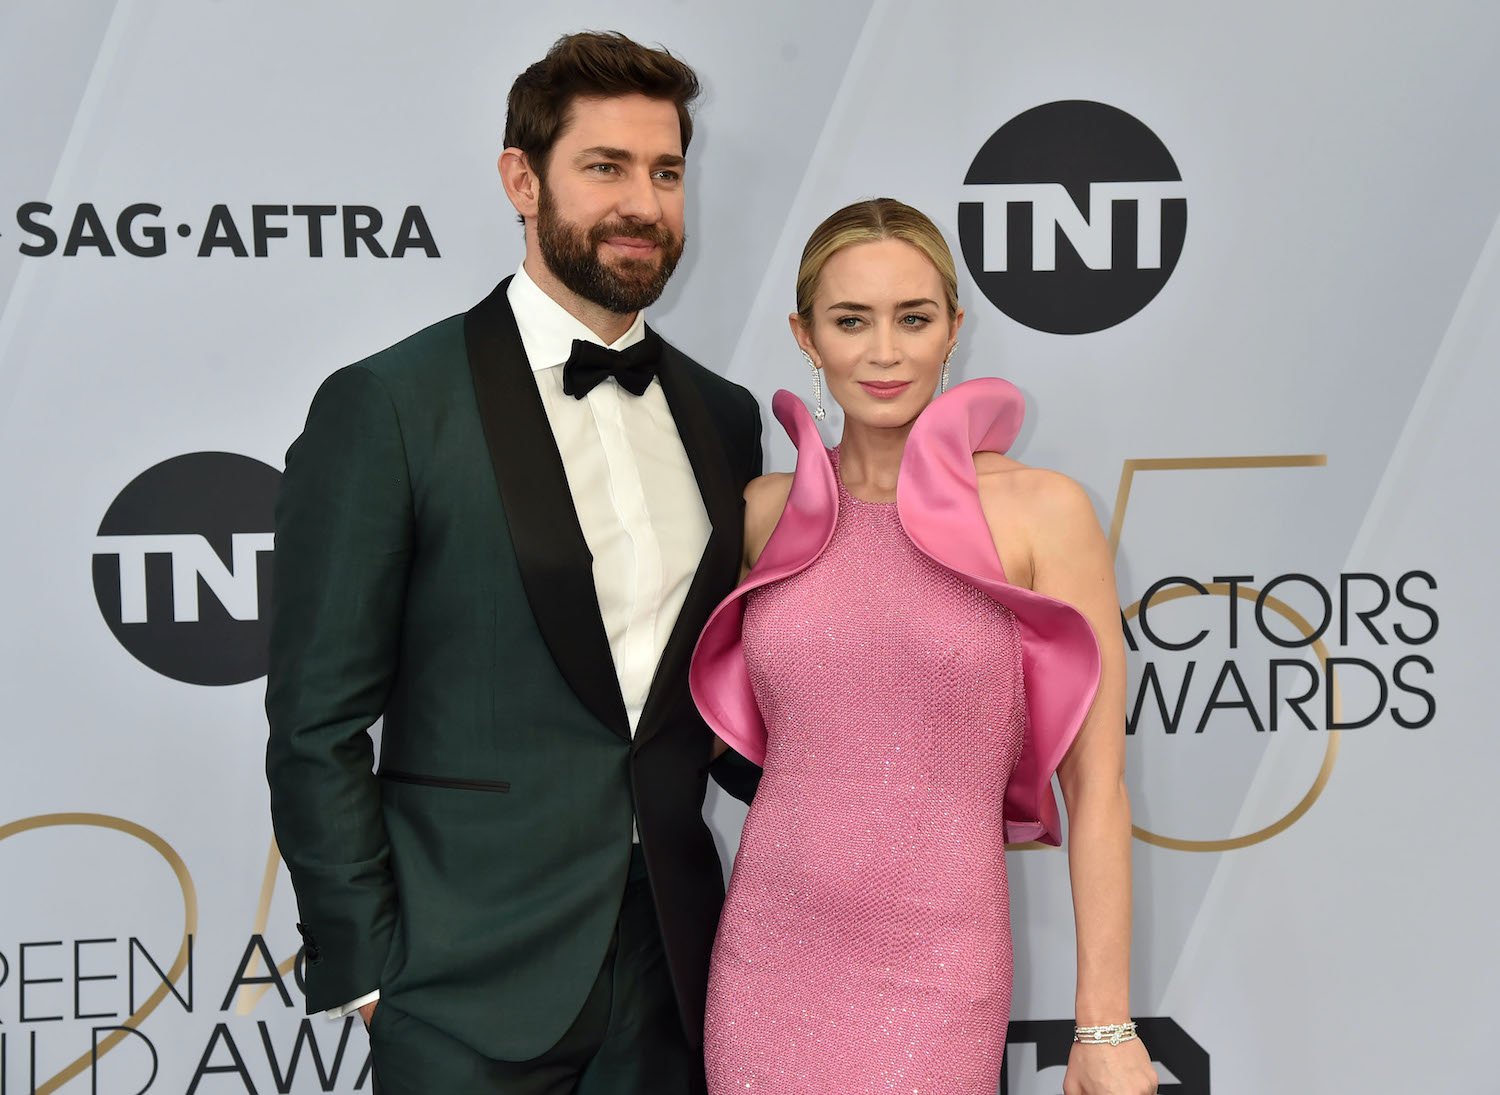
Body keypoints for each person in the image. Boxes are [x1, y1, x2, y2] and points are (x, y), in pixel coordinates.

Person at [265, 31, 762, 1095]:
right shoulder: (392, 407)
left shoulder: (724, 419)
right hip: (461, 983)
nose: (644, 202)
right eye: (606, 167)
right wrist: (369, 967)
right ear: (521, 181)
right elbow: (315, 721)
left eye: (667, 172)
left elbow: (724, 703)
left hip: (675, 971)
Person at [690, 198, 1158, 1095]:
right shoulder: (761, 511)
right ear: (805, 335)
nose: (885, 351)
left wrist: (1104, 1023)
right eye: (850, 320)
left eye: (914, 318)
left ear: (954, 330)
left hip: (941, 965)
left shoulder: (1044, 512)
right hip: (769, 956)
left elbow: (1097, 787)